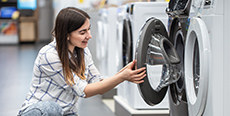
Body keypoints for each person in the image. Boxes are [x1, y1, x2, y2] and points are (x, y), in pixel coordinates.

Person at [17, 7, 146, 116]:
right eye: (82, 32)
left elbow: (99, 85)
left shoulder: (83, 51)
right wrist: (122, 77)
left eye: (89, 29)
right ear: (66, 34)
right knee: (53, 108)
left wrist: (124, 72)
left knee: (61, 110)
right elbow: (83, 91)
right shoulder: (50, 55)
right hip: (39, 111)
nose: (89, 36)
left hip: (66, 112)